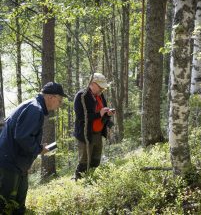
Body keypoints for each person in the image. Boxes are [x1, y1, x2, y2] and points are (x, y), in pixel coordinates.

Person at [0, 82, 67, 214]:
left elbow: (24, 135)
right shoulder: (35, 109)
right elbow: (22, 136)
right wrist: (38, 149)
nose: (59, 105)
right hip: (9, 163)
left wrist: (37, 147)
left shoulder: (33, 106)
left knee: (17, 205)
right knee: (5, 205)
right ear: (51, 97)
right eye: (59, 100)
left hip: (15, 163)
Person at [73, 72, 115, 180]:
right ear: (92, 83)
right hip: (86, 134)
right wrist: (99, 114)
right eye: (100, 86)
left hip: (98, 133)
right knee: (84, 161)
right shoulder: (81, 96)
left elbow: (102, 111)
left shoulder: (100, 95)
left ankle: (91, 179)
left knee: (96, 160)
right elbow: (81, 117)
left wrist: (107, 113)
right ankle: (79, 181)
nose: (102, 89)